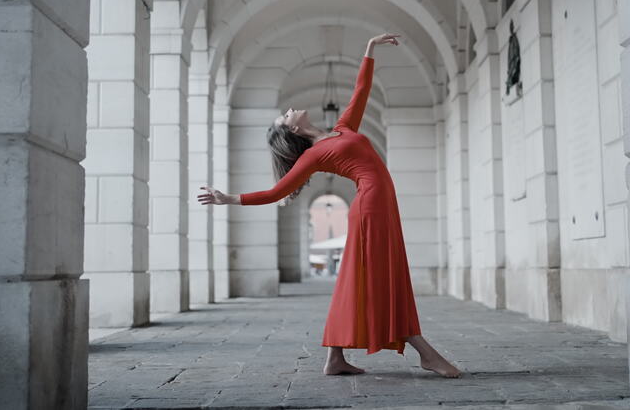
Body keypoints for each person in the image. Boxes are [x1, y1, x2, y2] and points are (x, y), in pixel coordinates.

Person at [198, 33, 461, 378]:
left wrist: (368, 48)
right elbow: (278, 192)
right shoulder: (313, 156)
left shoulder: (341, 129)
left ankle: (336, 358)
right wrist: (229, 198)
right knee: (381, 277)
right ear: (292, 131)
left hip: (380, 206)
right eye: (284, 116)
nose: (288, 111)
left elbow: (361, 92)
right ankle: (423, 350)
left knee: (361, 279)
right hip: (370, 208)